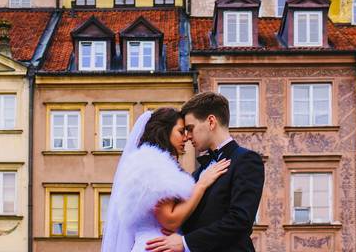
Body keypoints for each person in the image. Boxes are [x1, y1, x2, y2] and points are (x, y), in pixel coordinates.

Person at [145, 92, 264, 252]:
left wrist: (185, 242)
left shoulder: (246, 160)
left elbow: (239, 221)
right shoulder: (198, 173)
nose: (187, 137)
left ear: (211, 121)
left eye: (190, 128)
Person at [101, 107, 231, 252]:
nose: (186, 138)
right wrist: (201, 184)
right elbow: (170, 220)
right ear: (165, 131)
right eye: (181, 132)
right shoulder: (157, 166)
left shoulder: (145, 162)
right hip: (158, 246)